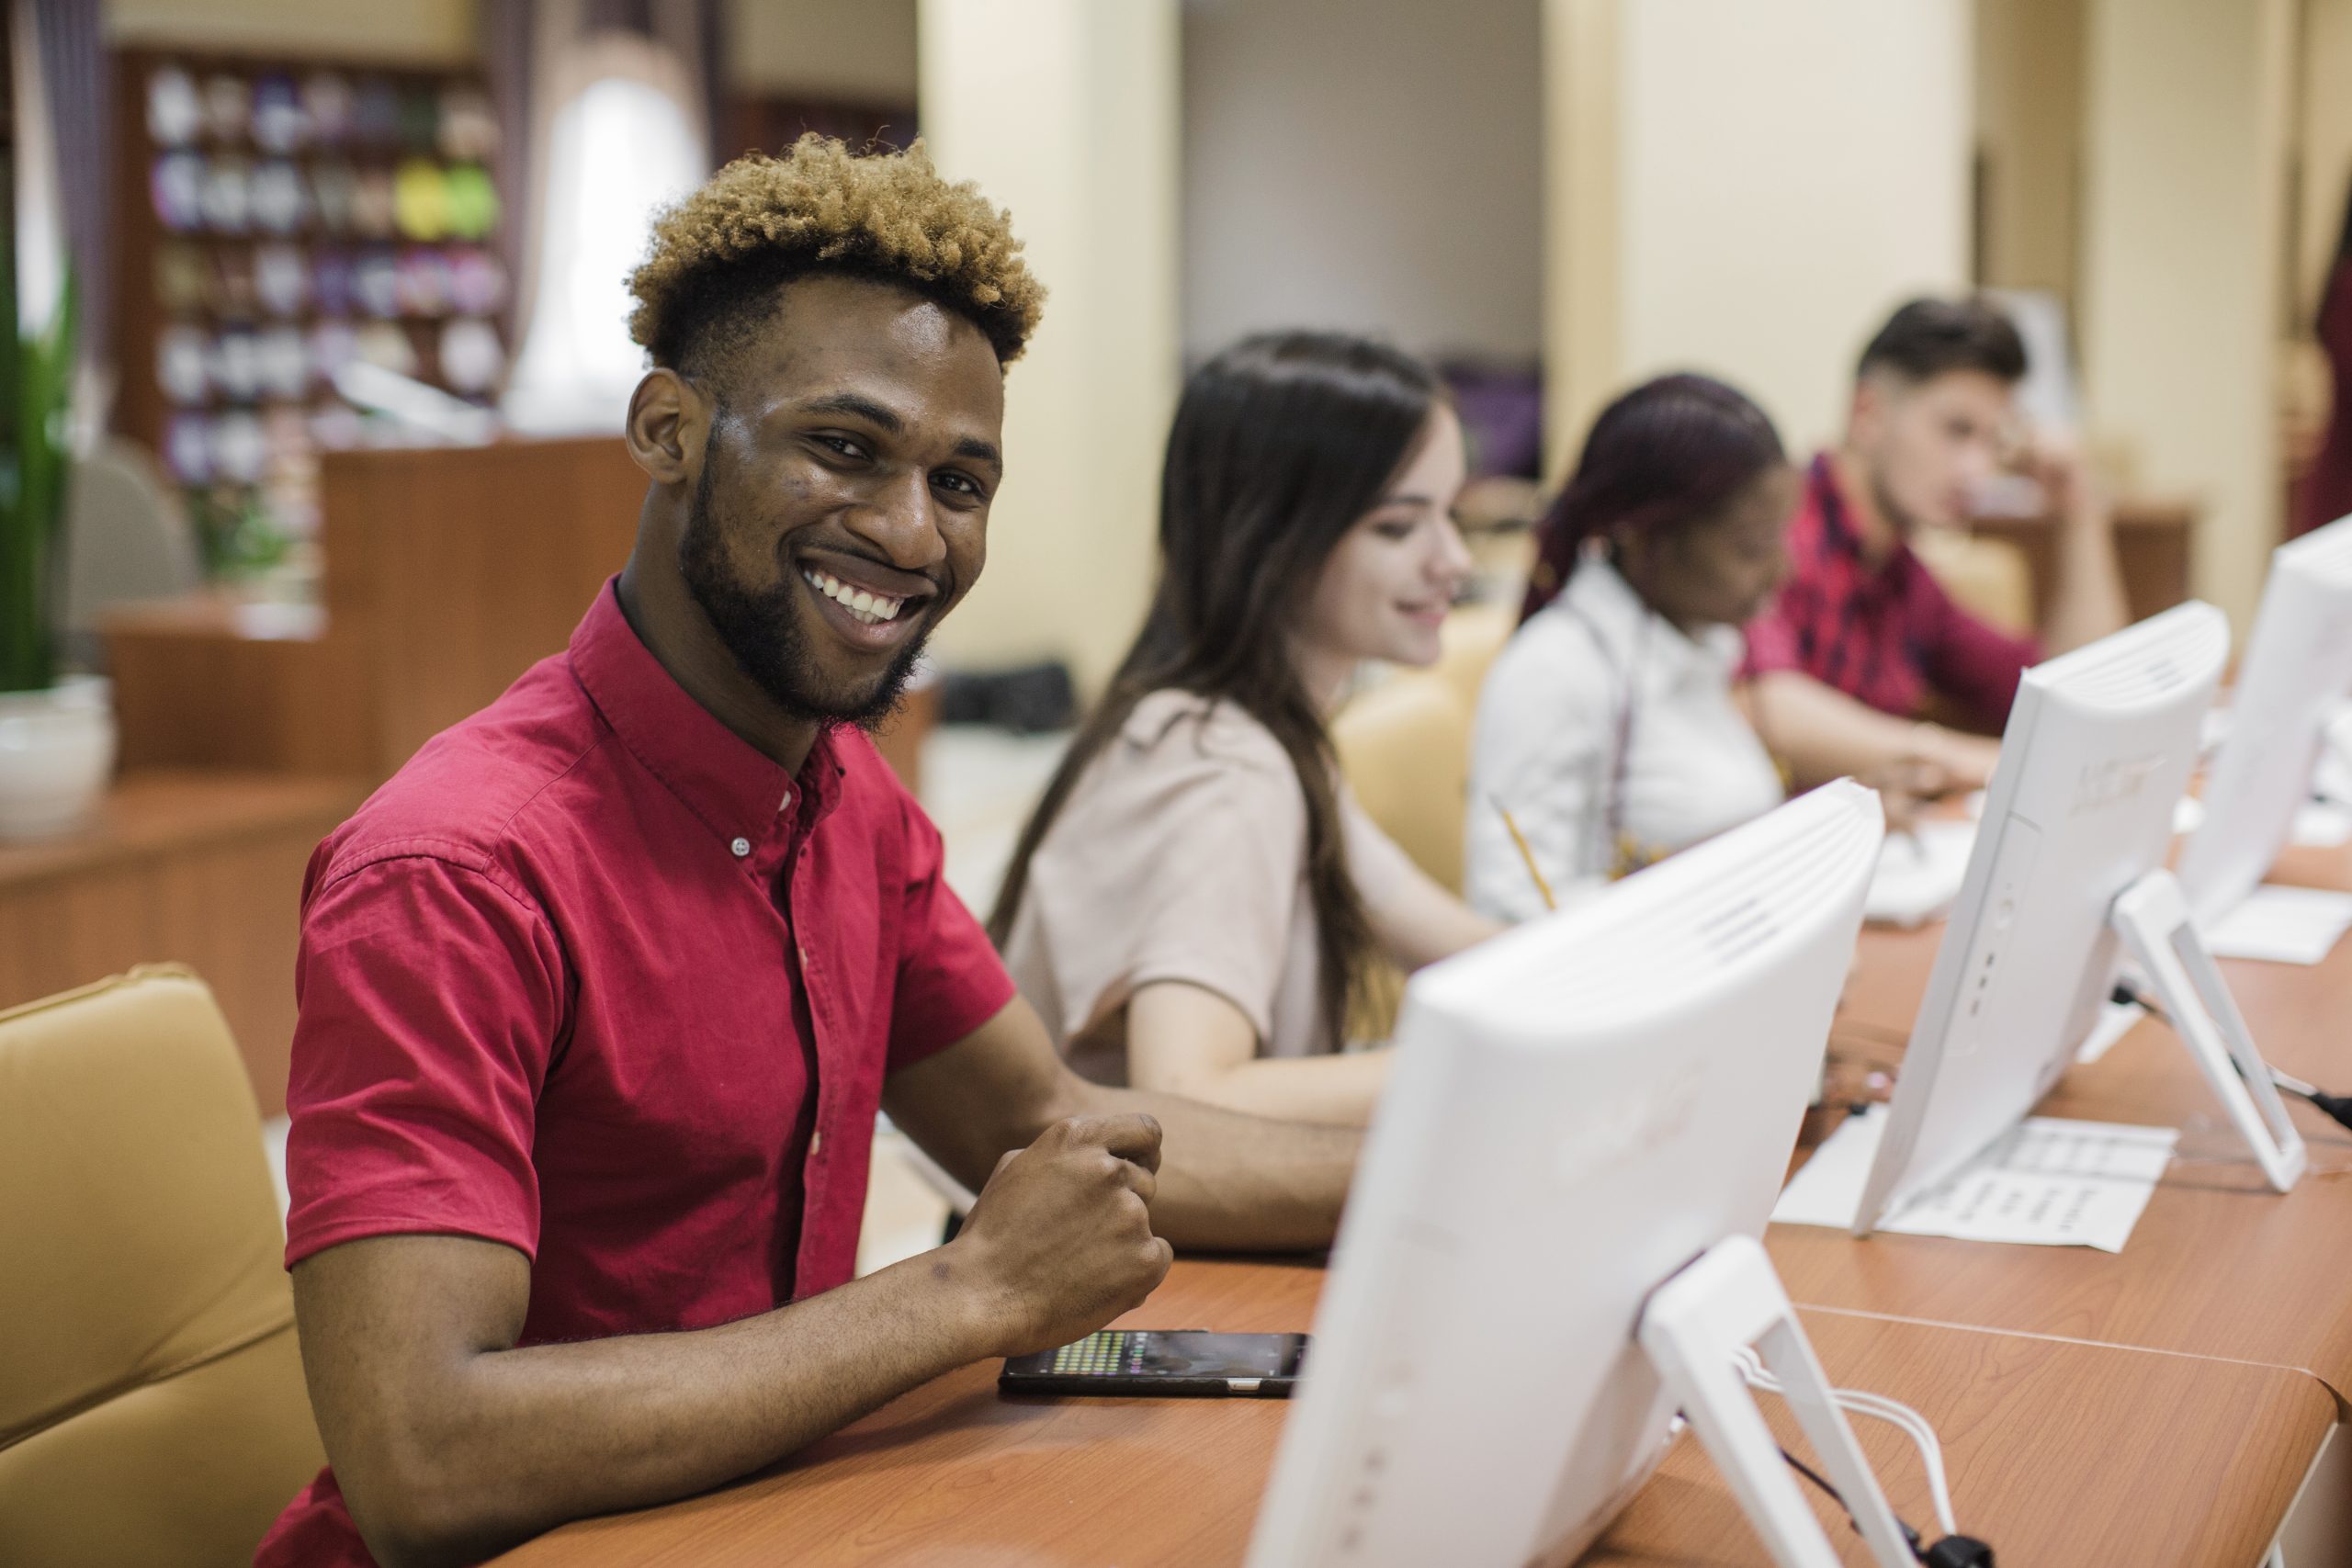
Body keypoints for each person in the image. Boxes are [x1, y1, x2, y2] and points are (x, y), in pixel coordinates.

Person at [257, 139, 1362, 1568]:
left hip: (767, 1517)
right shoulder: (452, 868)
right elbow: (421, 1453)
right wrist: (961, 1295)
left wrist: (1481, 1174)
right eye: (843, 446)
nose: (911, 531)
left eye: (961, 481)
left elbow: (1048, 1123)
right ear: (666, 427)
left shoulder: (841, 792)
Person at [990, 333, 1501, 1129]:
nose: (1456, 559)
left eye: (1452, 514)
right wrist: (1477, 1060)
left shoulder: (1262, 731)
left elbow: (1451, 938)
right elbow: (1189, 1092)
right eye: (1401, 527)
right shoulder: (1223, 767)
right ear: (1275, 538)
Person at [1740, 296, 2128, 790]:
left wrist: (2079, 512)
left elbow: (2074, 692)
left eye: (1994, 442)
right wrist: (1979, 763)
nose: (1978, 471)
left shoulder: (1907, 579)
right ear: (1868, 413)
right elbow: (1769, 705)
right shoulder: (1778, 527)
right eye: (1957, 431)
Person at [1464, 374, 1795, 922]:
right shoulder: (1557, 672)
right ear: (1645, 538)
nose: (1785, 569)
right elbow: (1513, 913)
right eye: (1754, 546)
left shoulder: (1694, 640)